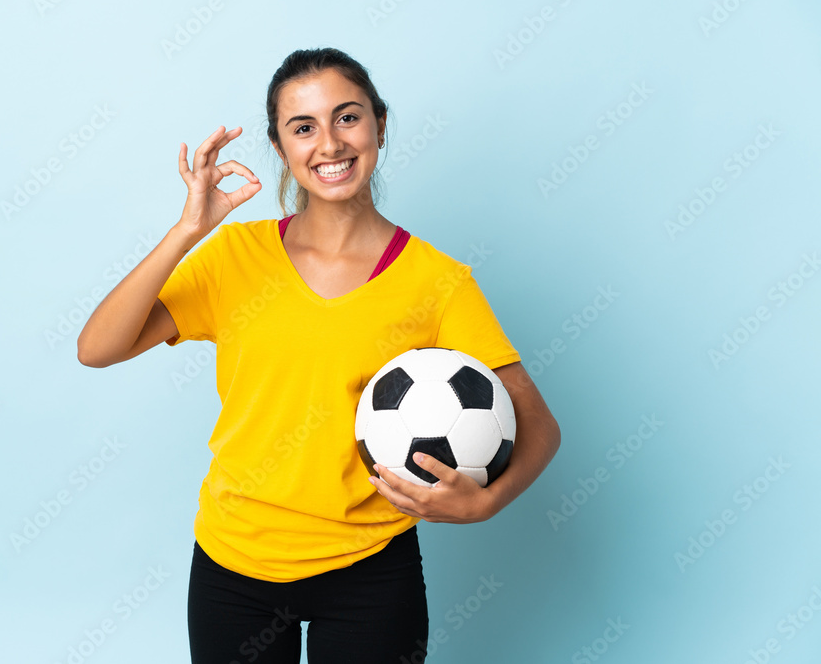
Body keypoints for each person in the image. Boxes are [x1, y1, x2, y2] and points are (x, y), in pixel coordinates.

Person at [77, 47, 561, 664]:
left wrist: (486, 501)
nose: (329, 143)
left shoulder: (438, 283)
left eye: (347, 117)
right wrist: (187, 231)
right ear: (281, 149)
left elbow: (540, 426)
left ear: (380, 126)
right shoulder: (234, 258)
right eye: (302, 127)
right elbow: (98, 348)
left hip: (370, 571)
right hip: (235, 564)